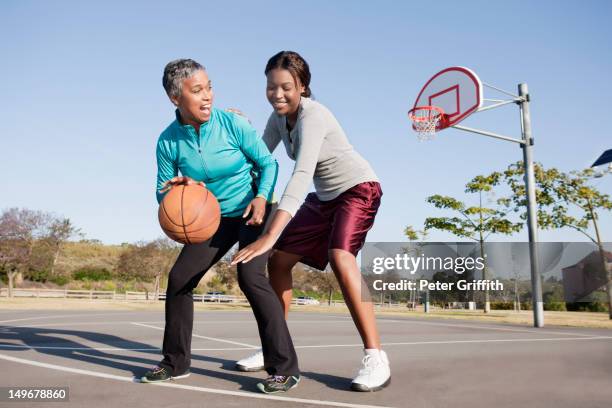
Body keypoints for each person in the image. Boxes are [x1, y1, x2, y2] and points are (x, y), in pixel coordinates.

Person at [232, 51, 390, 392]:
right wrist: (234, 129)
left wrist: (271, 233)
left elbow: (301, 174)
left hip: (358, 189)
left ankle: (376, 356)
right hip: (324, 198)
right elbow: (257, 158)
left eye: (286, 87)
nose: (277, 94)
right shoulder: (278, 119)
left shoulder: (314, 116)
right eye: (271, 87)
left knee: (340, 256)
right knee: (279, 262)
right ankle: (275, 346)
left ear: (302, 86)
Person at [141, 58, 300, 394]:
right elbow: (161, 192)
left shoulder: (231, 124)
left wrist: (262, 196)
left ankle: (284, 368)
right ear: (175, 99)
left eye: (209, 87)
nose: (208, 96)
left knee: (251, 275)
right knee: (180, 279)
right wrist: (181, 190)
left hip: (254, 208)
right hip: (211, 217)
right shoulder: (168, 142)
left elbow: (268, 163)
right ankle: (175, 362)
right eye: (197, 90)